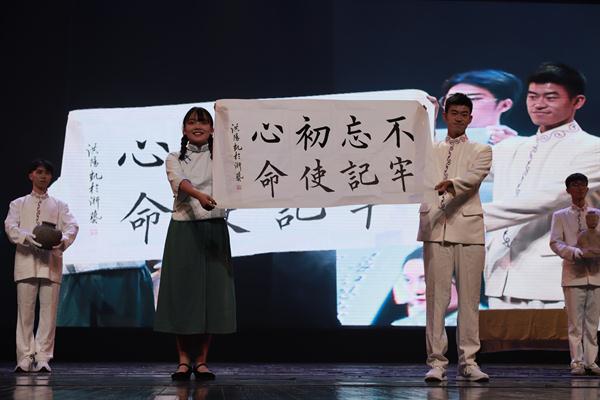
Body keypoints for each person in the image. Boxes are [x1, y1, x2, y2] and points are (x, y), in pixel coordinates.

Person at [484, 62, 600, 309]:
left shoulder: (593, 148)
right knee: (502, 336)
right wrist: (425, 117)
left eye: (550, 97)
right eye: (532, 96)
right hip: (501, 276)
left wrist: (471, 218)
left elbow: (548, 199)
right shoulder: (510, 147)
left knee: (563, 336)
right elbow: (455, 168)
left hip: (557, 279)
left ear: (577, 102)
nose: (538, 104)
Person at [154, 107, 236, 381]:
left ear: (213, 129)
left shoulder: (222, 159)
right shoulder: (174, 157)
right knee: (183, 294)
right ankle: (182, 361)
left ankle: (201, 361)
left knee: (210, 295)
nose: (197, 126)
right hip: (184, 230)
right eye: (191, 122)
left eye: (203, 122)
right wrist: (200, 195)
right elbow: (180, 182)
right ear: (184, 129)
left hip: (214, 228)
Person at [417, 93, 492, 382]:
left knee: (469, 300)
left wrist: (453, 183)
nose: (459, 118)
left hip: (469, 229)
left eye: (464, 114)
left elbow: (474, 178)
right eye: (454, 113)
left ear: (470, 118)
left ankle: (468, 362)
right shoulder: (430, 149)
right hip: (435, 227)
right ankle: (436, 362)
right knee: (436, 299)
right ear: (446, 116)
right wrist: (428, 111)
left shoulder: (482, 149)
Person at [4, 159, 79, 373]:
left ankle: (43, 357)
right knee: (25, 313)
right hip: (26, 262)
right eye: (39, 172)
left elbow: (73, 226)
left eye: (47, 173)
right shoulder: (18, 203)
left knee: (48, 313)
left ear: (51, 177)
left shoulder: (59, 205)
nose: (43, 176)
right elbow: (10, 226)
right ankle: (24, 357)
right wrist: (25, 237)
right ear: (31, 175)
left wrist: (62, 240)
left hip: (51, 263)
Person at [550, 173, 600, 376]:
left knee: (593, 322)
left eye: (582, 185)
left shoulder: (597, 214)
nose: (579, 188)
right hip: (573, 275)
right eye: (575, 185)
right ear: (568, 190)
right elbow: (555, 242)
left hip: (596, 274)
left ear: (587, 188)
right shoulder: (560, 215)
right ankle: (577, 361)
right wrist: (574, 252)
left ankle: (591, 361)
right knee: (575, 323)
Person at [436, 69, 522, 145]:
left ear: (504, 105)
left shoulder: (517, 145)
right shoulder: (433, 141)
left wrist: (513, 146)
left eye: (473, 99)